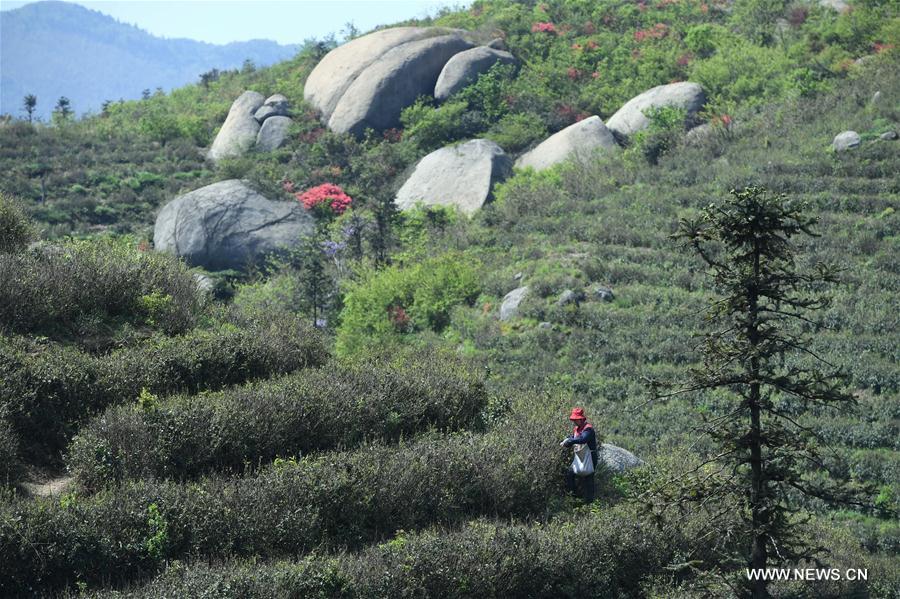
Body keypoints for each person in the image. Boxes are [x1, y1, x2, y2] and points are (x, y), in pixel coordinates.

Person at [560, 407, 598, 503]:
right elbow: (573, 438)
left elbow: (583, 439)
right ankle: (574, 497)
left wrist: (571, 441)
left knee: (588, 479)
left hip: (590, 457)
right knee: (570, 474)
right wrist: (566, 442)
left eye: (575, 419)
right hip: (580, 456)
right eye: (573, 420)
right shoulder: (576, 429)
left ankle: (589, 503)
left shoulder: (588, 429)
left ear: (581, 419)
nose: (574, 422)